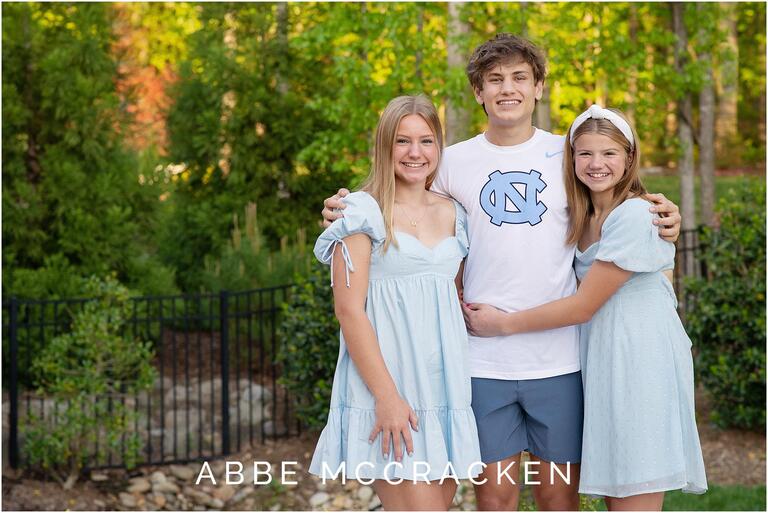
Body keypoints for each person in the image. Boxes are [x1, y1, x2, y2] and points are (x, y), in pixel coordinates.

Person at [321, 34, 683, 511]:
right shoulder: (450, 162)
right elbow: (400, 199)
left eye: (519, 78)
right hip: (480, 363)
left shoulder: (567, 156)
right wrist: (340, 210)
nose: (506, 89)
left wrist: (664, 214)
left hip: (560, 361)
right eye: (494, 80)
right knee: (495, 496)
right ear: (478, 91)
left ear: (538, 88)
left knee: (558, 495)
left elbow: (612, 188)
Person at [464, 104, 708, 510]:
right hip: (603, 362)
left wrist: (502, 324)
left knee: (633, 490)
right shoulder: (586, 214)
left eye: (609, 153)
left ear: (630, 157)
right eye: (585, 153)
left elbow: (583, 307)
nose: (597, 164)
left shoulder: (635, 215)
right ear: (571, 157)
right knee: (616, 491)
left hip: (640, 364)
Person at [308, 95, 482, 511]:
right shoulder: (359, 212)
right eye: (402, 141)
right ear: (384, 146)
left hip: (443, 389)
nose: (415, 153)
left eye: (426, 141)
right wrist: (386, 396)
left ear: (439, 146)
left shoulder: (456, 213)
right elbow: (348, 311)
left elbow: (448, 296)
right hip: (390, 387)